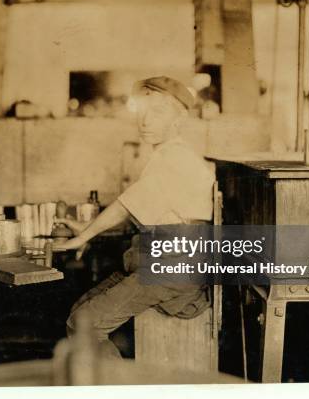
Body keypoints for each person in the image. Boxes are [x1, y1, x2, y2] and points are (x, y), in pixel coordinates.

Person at [54, 76, 216, 359]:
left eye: (157, 112)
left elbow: (126, 206)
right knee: (79, 311)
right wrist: (87, 227)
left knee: (82, 326)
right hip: (162, 264)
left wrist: (83, 236)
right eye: (142, 111)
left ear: (179, 119)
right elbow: (145, 210)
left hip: (172, 270)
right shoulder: (167, 155)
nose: (145, 121)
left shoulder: (175, 158)